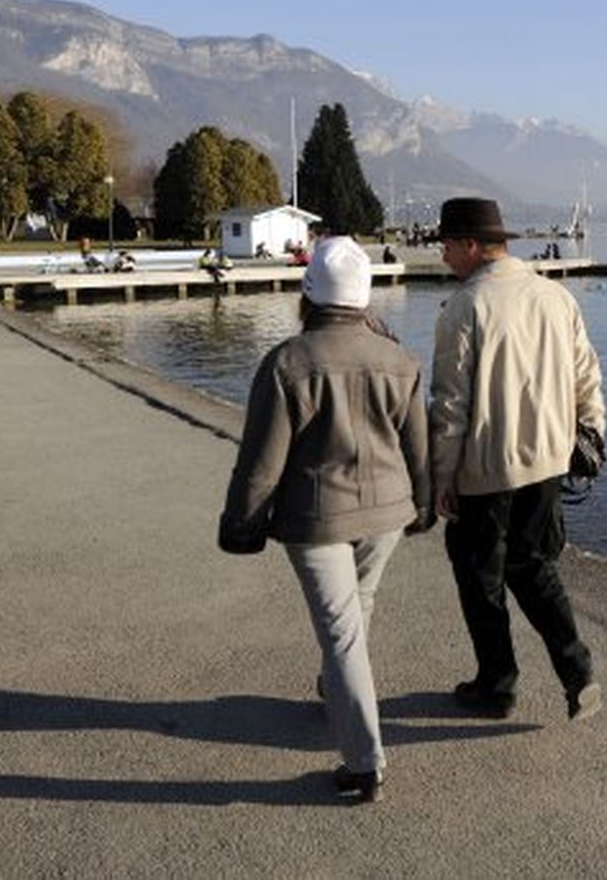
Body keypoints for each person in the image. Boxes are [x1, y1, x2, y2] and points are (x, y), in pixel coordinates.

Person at [218, 235, 431, 803]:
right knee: (355, 611)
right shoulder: (400, 360)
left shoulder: (288, 363)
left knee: (340, 632)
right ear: (363, 299)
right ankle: (336, 692)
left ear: (308, 295)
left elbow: (261, 463)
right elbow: (419, 449)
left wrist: (240, 524)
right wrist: (424, 504)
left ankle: (365, 762)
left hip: (316, 518)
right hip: (387, 512)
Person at [430, 197, 606, 722]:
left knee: (480, 578)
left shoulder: (465, 307)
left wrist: (441, 476)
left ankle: (497, 685)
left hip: (486, 467)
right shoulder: (556, 297)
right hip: (549, 461)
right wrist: (592, 433)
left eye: (445, 245)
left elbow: (449, 404)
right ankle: (578, 674)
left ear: (471, 245)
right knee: (534, 569)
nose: (442, 256)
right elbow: (586, 375)